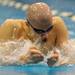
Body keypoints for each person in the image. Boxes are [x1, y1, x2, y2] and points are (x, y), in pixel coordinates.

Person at [0, 2, 68, 65]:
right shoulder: (11, 27)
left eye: (50, 29)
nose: (46, 35)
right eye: (39, 31)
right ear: (27, 24)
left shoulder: (58, 25)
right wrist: (23, 60)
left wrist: (59, 61)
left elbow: (67, 54)